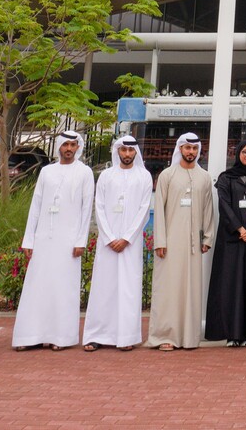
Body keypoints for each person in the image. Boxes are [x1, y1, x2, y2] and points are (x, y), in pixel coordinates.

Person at [13, 132, 94, 352]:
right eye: (65, 144)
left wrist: (81, 240)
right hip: (43, 238)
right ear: (58, 147)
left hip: (68, 241)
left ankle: (61, 336)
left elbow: (87, 209)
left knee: (63, 287)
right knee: (37, 285)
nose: (69, 148)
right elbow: (36, 206)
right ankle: (30, 335)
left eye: (73, 145)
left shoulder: (85, 172)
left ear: (78, 147)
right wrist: (29, 240)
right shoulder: (46, 172)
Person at [147, 132, 215, 351]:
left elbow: (208, 209)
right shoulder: (167, 175)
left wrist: (207, 237)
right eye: (187, 148)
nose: (191, 152)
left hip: (194, 244)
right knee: (169, 288)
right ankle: (165, 335)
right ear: (180, 149)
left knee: (191, 290)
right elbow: (159, 210)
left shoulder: (204, 176)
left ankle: (188, 337)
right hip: (170, 244)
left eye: (194, 149)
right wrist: (160, 241)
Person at [83, 135, 152, 352]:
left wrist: (127, 238)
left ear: (136, 153)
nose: (127, 154)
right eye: (123, 151)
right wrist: (110, 237)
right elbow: (99, 207)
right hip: (108, 242)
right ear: (117, 152)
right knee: (103, 287)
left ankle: (126, 337)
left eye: (131, 151)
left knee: (128, 289)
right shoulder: (106, 176)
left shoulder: (144, 176)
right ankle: (96, 336)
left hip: (130, 243)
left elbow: (144, 210)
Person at [205, 140, 246, 347]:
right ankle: (232, 335)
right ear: (238, 154)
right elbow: (224, 205)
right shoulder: (226, 178)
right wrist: (240, 229)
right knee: (230, 286)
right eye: (245, 152)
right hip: (231, 240)